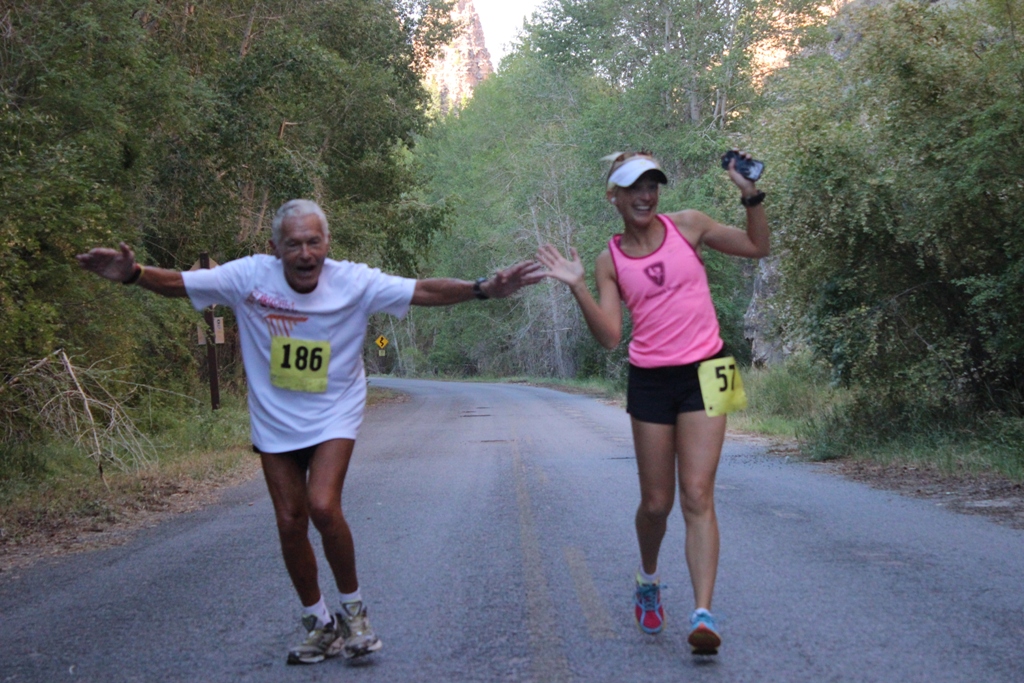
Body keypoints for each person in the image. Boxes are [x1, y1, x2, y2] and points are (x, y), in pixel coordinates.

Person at [77, 199, 544, 665]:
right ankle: (319, 624)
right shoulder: (249, 277)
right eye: (294, 244)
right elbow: (180, 283)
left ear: (327, 244)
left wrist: (484, 288)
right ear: (274, 248)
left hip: (334, 409)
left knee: (322, 505)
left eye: (314, 242)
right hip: (274, 415)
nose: (305, 254)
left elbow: (423, 291)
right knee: (289, 521)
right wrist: (134, 273)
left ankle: (356, 614)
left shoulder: (354, 281)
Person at [536, 151, 769, 654]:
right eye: (633, 187)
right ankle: (647, 578)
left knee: (698, 494)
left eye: (652, 185)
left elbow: (757, 245)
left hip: (712, 368)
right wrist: (578, 287)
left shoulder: (690, 226)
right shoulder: (609, 260)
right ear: (613, 196)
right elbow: (609, 338)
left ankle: (703, 613)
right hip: (650, 379)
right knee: (657, 503)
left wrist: (750, 194)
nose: (645, 195)